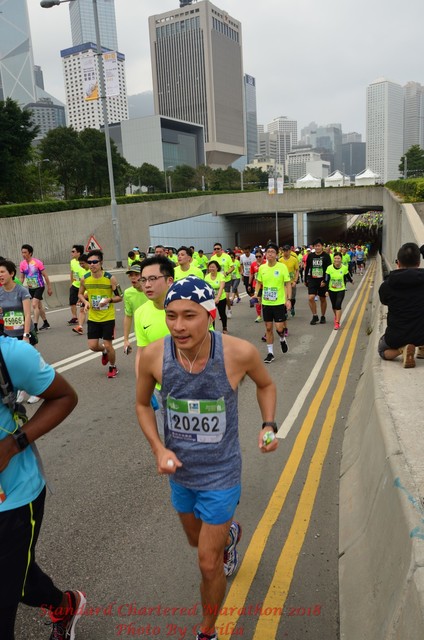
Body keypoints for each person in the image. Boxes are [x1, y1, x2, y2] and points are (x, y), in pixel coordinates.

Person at [136, 276, 278, 640]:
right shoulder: (153, 355)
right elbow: (142, 405)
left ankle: (207, 631)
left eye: (189, 315)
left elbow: (266, 384)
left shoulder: (238, 352)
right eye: (171, 315)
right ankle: (229, 534)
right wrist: (159, 448)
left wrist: (268, 424)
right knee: (194, 541)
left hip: (221, 473)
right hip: (181, 475)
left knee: (208, 562)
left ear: (210, 314)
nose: (178, 326)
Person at [0, 335, 84, 640]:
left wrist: (13, 445)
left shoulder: (10, 356)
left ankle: (63, 605)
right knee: (20, 580)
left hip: (12, 500)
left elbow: (65, 397)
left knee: (13, 585)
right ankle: (65, 605)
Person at [134, 256, 175, 436]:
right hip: (159, 389)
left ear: (169, 280)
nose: (147, 285)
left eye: (152, 279)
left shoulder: (188, 307)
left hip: (191, 388)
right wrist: (142, 385)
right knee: (167, 439)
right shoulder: (141, 313)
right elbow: (142, 351)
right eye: (143, 280)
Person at [378, 242, 424, 368]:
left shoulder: (387, 285)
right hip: (422, 334)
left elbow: (384, 301)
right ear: (418, 263)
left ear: (398, 263)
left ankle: (402, 349)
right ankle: (422, 348)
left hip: (397, 337)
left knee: (382, 349)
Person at [78, 250, 122, 378]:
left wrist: (109, 300)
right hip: (93, 317)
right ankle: (104, 351)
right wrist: (86, 302)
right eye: (89, 262)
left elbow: (120, 297)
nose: (92, 264)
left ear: (101, 262)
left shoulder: (110, 278)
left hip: (108, 317)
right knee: (92, 346)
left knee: (108, 344)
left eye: (95, 262)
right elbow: (80, 294)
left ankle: (113, 367)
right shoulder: (85, 279)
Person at [254, 243, 291, 363]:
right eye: (268, 252)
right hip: (266, 303)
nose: (270, 254)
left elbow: (287, 284)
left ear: (276, 254)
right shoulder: (262, 268)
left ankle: (282, 339)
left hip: (279, 303)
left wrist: (288, 299)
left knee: (279, 328)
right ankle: (270, 353)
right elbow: (259, 282)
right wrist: (256, 293)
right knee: (268, 328)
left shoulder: (282, 267)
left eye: (272, 252)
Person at [19, 244, 52, 332]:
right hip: (31, 287)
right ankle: (46, 323)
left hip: (39, 286)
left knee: (34, 305)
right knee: (39, 306)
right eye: (22, 252)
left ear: (30, 253)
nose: (23, 254)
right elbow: (22, 277)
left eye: (25, 252)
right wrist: (18, 287)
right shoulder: (22, 264)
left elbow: (45, 275)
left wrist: (49, 287)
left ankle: (35, 326)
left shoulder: (38, 262)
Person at [304, 238, 332, 325]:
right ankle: (315, 315)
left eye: (319, 246)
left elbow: (329, 270)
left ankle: (323, 316)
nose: (317, 247)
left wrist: (325, 281)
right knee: (311, 298)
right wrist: (305, 279)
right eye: (315, 246)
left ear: (322, 246)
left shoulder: (326, 256)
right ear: (313, 247)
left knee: (322, 298)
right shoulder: (310, 256)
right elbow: (307, 268)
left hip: (322, 280)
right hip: (312, 279)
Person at [123, 262, 147, 354]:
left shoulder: (151, 290)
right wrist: (126, 339)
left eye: (136, 275)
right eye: (131, 275)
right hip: (140, 333)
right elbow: (128, 316)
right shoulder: (128, 293)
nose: (133, 277)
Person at [325, 252, 353, 330]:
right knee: (334, 306)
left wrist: (351, 281)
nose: (337, 260)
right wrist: (326, 290)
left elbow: (347, 275)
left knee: (338, 305)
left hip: (341, 289)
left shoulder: (344, 268)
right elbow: (327, 279)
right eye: (335, 258)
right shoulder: (329, 268)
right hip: (331, 289)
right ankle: (337, 316)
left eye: (338, 258)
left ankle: (337, 322)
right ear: (333, 259)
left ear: (341, 259)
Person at [211, 243, 234, 318]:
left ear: (221, 249)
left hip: (226, 279)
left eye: (218, 248)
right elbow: (210, 268)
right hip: (217, 281)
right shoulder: (213, 258)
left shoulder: (227, 257)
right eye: (215, 249)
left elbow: (232, 267)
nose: (216, 250)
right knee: (219, 298)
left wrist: (226, 273)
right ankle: (222, 313)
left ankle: (229, 309)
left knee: (226, 297)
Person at [205, 260, 227, 333]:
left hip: (221, 297)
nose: (211, 269)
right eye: (210, 267)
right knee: (211, 315)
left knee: (222, 313)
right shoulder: (207, 277)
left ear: (217, 268)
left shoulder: (221, 275)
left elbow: (221, 287)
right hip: (211, 299)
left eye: (213, 267)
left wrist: (217, 298)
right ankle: (212, 330)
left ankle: (224, 327)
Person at [71, 254, 90, 336]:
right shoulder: (82, 271)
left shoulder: (93, 271)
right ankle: (80, 327)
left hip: (95, 294)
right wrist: (81, 297)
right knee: (82, 310)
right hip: (86, 294)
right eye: (80, 263)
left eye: (83, 263)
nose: (81, 265)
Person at [279, 244, 299, 320]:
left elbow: (297, 270)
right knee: (284, 297)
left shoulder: (294, 259)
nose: (285, 252)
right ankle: (285, 312)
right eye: (284, 251)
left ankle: (292, 306)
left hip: (291, 281)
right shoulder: (280, 260)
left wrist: (295, 281)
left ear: (290, 251)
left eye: (287, 251)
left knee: (292, 297)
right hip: (283, 282)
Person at [68, 245, 84, 326]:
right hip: (75, 284)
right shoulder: (72, 261)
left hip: (84, 285)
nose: (72, 253)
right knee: (72, 301)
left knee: (84, 302)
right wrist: (71, 283)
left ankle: (85, 316)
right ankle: (74, 317)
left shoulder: (84, 262)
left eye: (73, 251)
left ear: (79, 253)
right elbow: (72, 272)